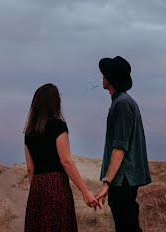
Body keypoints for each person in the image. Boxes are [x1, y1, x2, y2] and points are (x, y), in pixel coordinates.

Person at [24, 83, 100, 232]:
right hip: (56, 186)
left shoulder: (29, 132)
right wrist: (85, 192)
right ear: (55, 103)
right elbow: (66, 161)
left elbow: (29, 168)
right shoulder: (58, 126)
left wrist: (37, 190)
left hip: (37, 188)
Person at [94, 56, 151, 232]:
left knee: (127, 227)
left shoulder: (123, 104)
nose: (102, 77)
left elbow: (120, 147)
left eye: (105, 74)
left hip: (123, 179)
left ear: (110, 79)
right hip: (123, 179)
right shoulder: (121, 102)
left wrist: (107, 182)